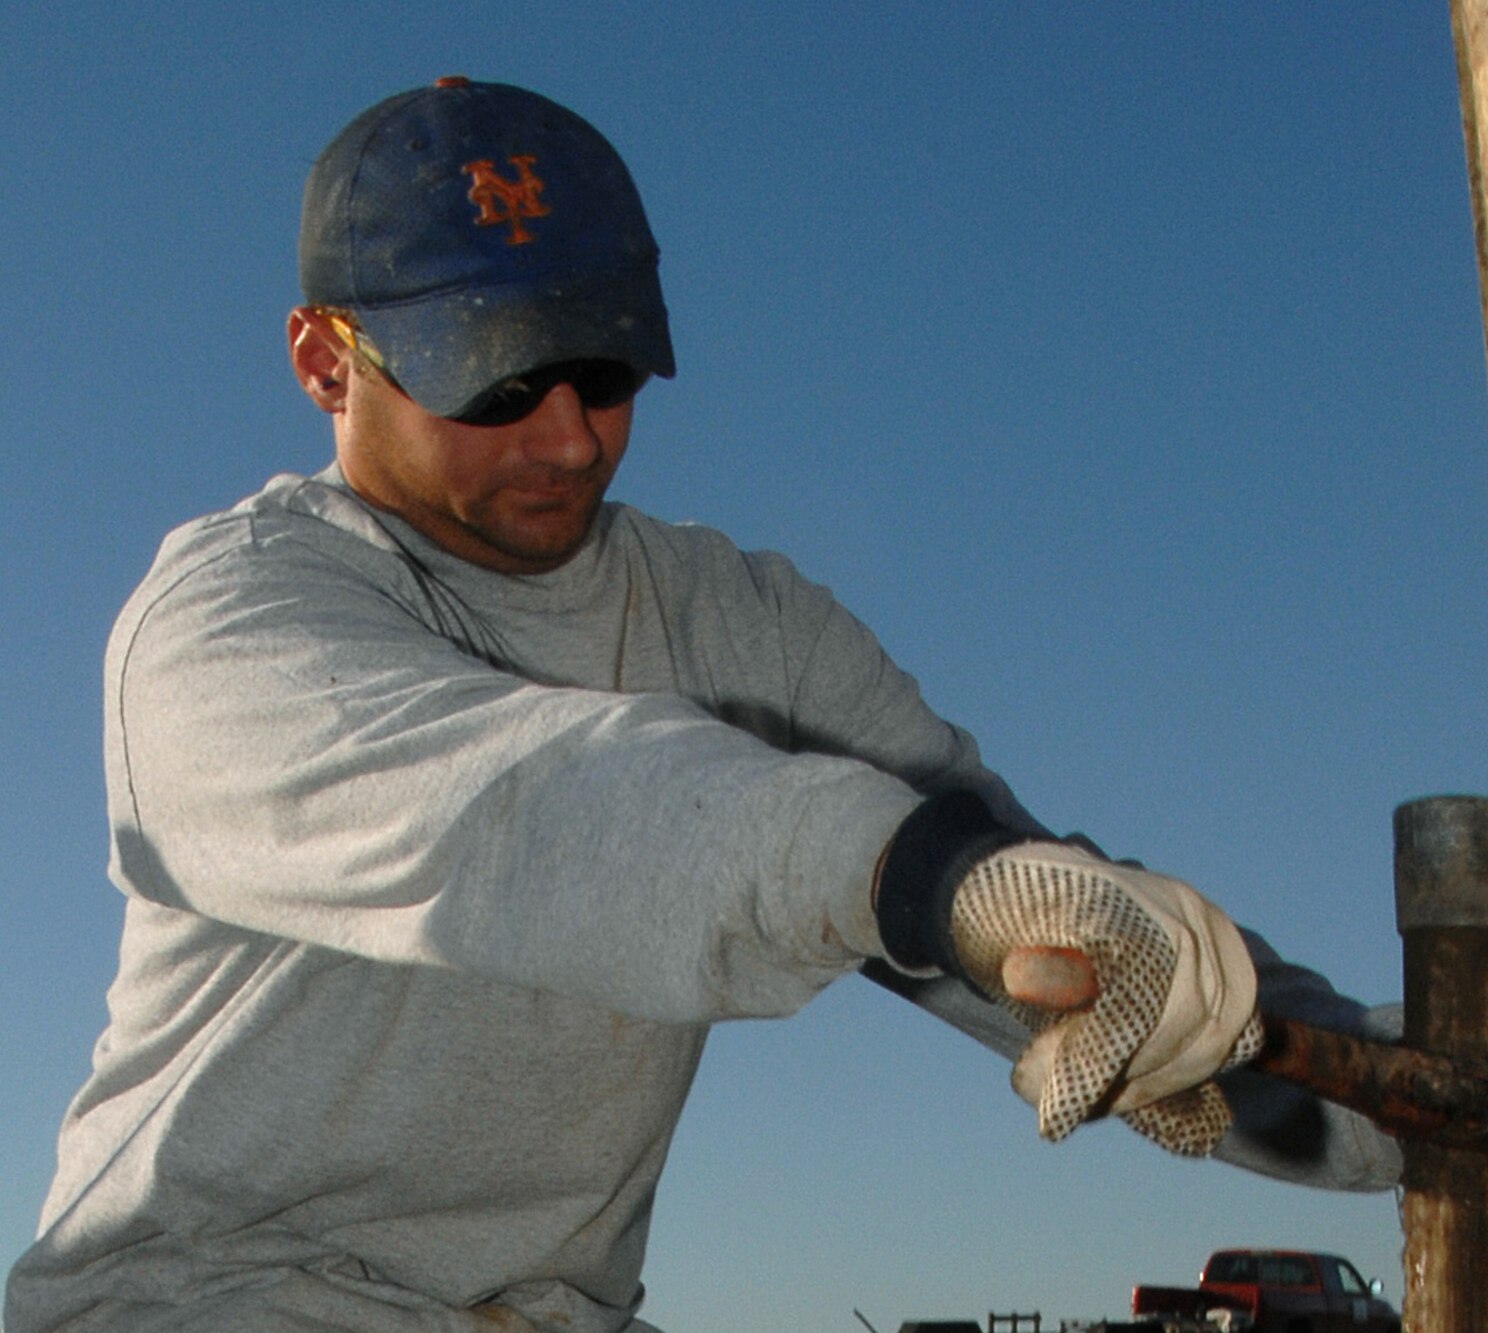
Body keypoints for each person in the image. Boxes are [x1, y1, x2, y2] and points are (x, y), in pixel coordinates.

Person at [5, 79, 1398, 1333]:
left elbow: (1013, 911)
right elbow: (526, 817)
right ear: (324, 360)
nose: (568, 437)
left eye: (601, 369)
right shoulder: (223, 628)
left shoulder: (742, 624)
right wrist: (905, 871)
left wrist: (1408, 1111)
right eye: (494, 375)